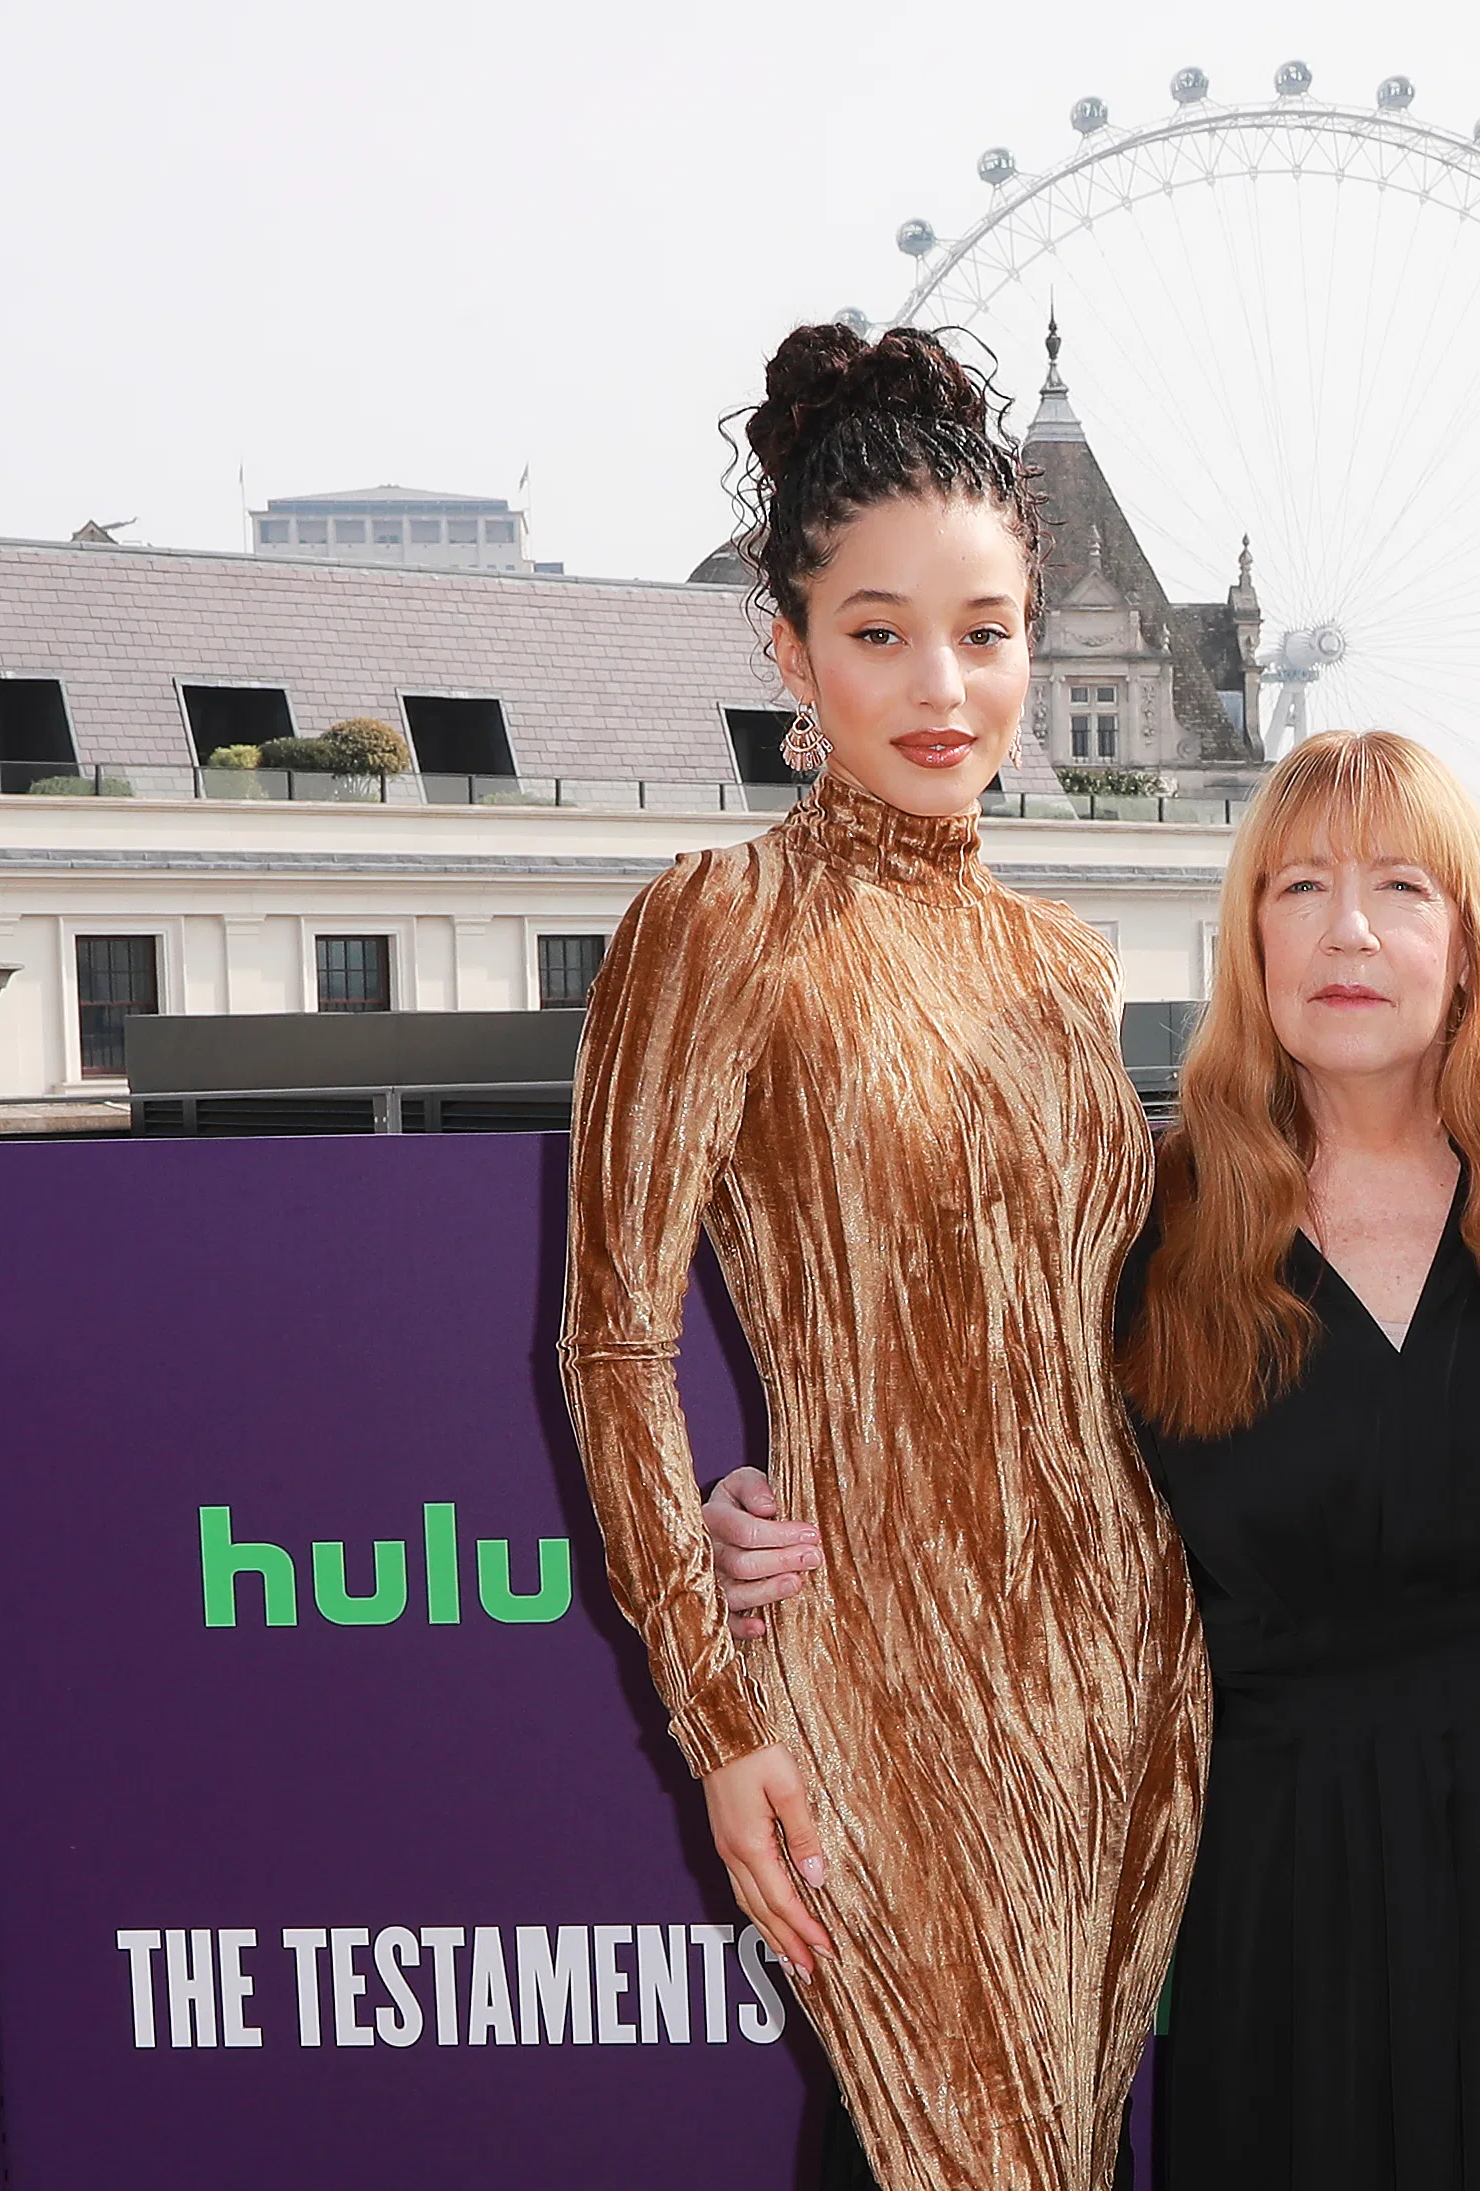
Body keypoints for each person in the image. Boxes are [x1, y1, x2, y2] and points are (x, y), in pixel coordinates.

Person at [711, 729, 1480, 2190]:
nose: (1347, 929)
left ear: (1467, 943)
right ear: (1245, 940)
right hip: (1277, 1882)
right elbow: (957, 1456)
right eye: (1298, 887)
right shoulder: (1139, 1220)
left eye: (1400, 885)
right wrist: (747, 1511)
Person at [560, 323, 1206, 2191]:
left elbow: (1090, 1329)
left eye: (986, 631)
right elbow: (611, 1347)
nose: (943, 683)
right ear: (787, 647)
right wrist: (722, 1715)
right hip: (874, 1690)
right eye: (878, 630)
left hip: (1120, 1670)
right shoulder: (717, 922)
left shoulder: (1060, 964)